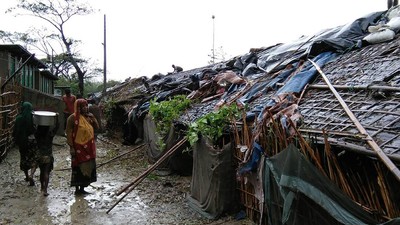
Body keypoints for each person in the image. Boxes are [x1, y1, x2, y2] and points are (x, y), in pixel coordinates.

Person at [66, 98, 99, 195]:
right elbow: (68, 133)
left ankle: (83, 188)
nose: (85, 108)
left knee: (88, 166)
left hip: (89, 147)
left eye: (86, 105)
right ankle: (77, 189)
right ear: (78, 107)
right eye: (82, 106)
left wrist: (93, 118)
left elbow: (97, 128)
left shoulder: (88, 117)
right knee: (78, 166)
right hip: (78, 147)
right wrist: (71, 147)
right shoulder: (72, 118)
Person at [34, 114, 60, 196]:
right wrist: (57, 118)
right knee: (46, 173)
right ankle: (45, 189)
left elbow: (32, 126)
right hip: (48, 156)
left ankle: (42, 187)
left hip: (40, 156)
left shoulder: (37, 134)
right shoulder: (50, 135)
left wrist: (33, 117)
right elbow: (57, 126)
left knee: (42, 172)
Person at [12, 101, 37, 186]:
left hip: (22, 142)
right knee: (34, 158)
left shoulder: (18, 118)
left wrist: (16, 139)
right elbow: (35, 129)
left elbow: (15, 131)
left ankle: (26, 176)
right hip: (32, 141)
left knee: (24, 158)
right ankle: (31, 175)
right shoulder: (33, 117)